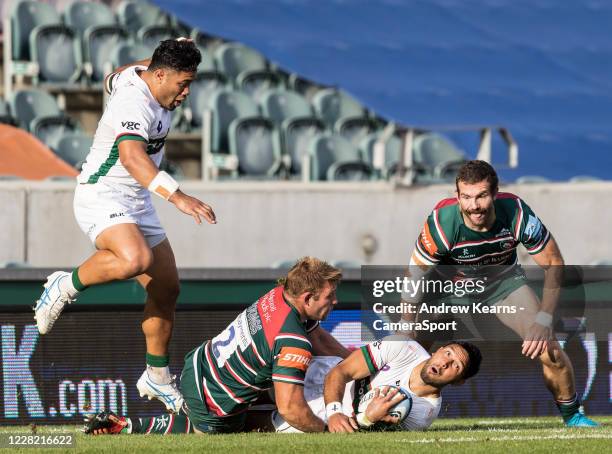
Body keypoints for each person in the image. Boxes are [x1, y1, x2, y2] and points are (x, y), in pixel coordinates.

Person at [33, 39, 216, 413]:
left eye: (191, 83)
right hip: (102, 194)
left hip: (137, 201)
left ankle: (157, 375)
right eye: (183, 83)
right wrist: (178, 196)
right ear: (160, 75)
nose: (186, 92)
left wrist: (174, 51)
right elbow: (133, 158)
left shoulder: (138, 75)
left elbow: (114, 75)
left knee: (167, 287)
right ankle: (63, 285)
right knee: (134, 259)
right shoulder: (133, 101)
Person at [403, 160, 598, 427]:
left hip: (502, 286)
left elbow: (553, 263)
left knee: (548, 349)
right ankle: (381, 406)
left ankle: (573, 416)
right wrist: (407, 325)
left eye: (481, 196)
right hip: (447, 288)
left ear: (495, 193)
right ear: (457, 195)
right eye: (466, 197)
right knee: (409, 351)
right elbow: (414, 277)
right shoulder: (441, 225)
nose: (474, 206)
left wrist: (543, 320)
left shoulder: (516, 213)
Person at [84, 257, 345, 435]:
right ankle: (145, 423)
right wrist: (328, 430)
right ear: (307, 298)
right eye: (329, 296)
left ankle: (139, 419)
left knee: (273, 395)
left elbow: (319, 338)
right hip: (212, 400)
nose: (335, 301)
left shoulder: (278, 296)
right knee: (260, 424)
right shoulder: (292, 339)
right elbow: (292, 409)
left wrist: (356, 361)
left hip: (198, 364)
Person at [271, 336, 481, 433]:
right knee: (252, 391)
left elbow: (369, 440)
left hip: (329, 419)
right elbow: (341, 371)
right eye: (447, 353)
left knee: (253, 426)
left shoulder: (423, 414)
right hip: (319, 377)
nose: (444, 363)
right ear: (438, 350)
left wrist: (367, 419)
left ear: (459, 381)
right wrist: (334, 411)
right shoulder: (403, 347)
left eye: (455, 365)